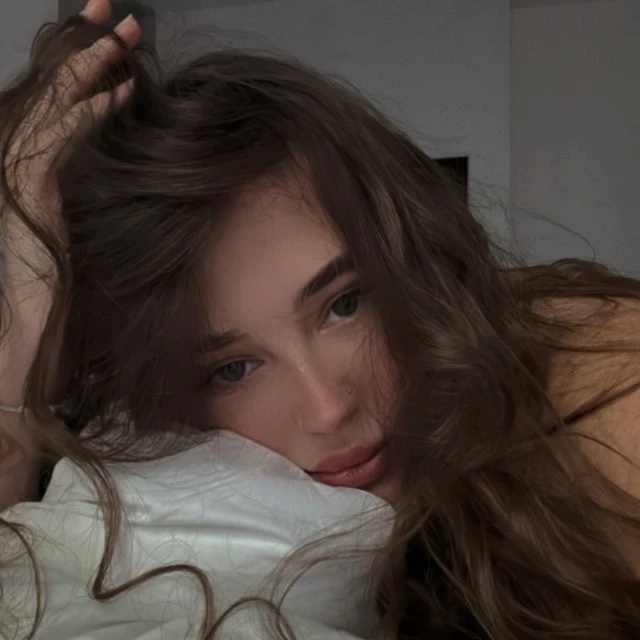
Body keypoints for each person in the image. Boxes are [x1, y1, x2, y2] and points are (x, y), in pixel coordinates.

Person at [2, 0, 640, 638]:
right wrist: (21, 338)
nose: (327, 408)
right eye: (233, 368)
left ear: (408, 257)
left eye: (345, 304)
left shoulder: (592, 393)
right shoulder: (169, 494)